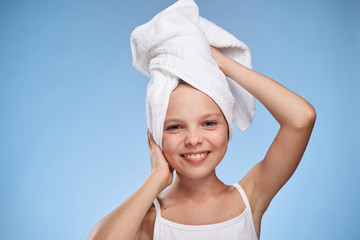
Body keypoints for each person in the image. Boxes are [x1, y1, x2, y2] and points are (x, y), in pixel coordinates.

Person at [87, 46, 316, 240]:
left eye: (208, 123)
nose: (194, 140)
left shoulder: (250, 196)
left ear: (228, 129)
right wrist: (156, 178)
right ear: (156, 137)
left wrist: (222, 63)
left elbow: (301, 118)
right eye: (175, 127)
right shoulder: (149, 218)